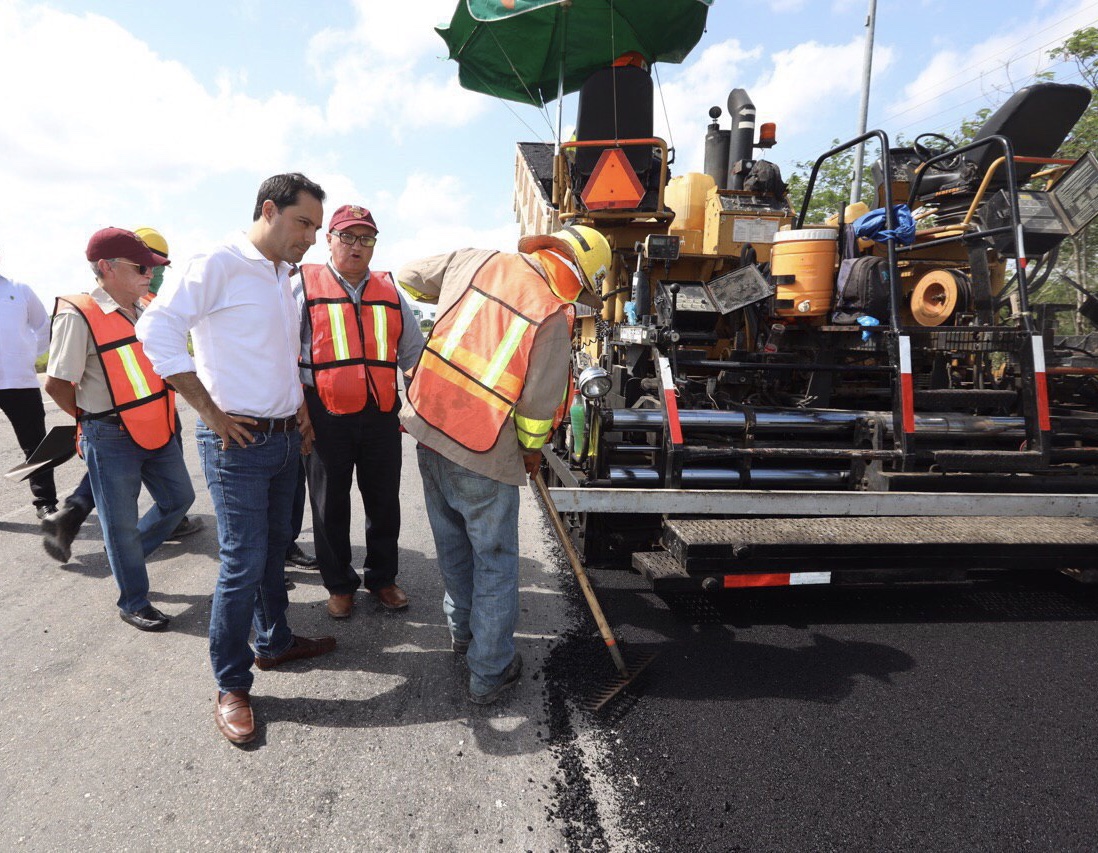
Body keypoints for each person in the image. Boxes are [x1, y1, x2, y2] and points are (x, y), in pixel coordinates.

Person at [136, 172, 337, 745]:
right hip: (236, 443)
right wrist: (209, 409)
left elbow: (274, 352)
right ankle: (231, 685)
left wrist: (297, 407)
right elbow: (157, 331)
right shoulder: (216, 262)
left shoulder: (281, 275)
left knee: (275, 550)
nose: (311, 238)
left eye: (317, 229)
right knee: (243, 563)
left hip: (280, 438)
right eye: (303, 224)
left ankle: (273, 641)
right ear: (268, 210)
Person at [398, 224, 611, 704]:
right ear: (578, 274)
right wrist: (532, 452)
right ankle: (490, 671)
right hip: (483, 449)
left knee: (452, 545)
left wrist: (446, 296)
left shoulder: (475, 260)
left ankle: (463, 635)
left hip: (430, 429)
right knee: (493, 562)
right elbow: (537, 407)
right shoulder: (552, 314)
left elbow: (408, 277)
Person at [44, 228, 195, 631]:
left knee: (179, 499)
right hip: (110, 434)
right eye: (142, 267)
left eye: (153, 267)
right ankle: (133, 599)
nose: (151, 274)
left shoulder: (145, 307)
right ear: (107, 268)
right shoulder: (80, 315)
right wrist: (89, 421)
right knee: (120, 523)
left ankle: (128, 558)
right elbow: (57, 383)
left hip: (156, 426)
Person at [296, 204, 424, 619]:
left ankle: (382, 579)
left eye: (366, 238)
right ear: (329, 239)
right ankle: (339, 584)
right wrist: (300, 411)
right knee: (329, 504)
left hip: (380, 413)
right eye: (347, 237)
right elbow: (283, 353)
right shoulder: (303, 287)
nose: (356, 246)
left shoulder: (391, 291)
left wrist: (421, 406)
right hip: (324, 414)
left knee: (384, 500)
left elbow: (413, 355)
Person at [0, 259, 58, 519]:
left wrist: (28, 356)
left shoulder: (19, 289)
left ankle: (45, 502)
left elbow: (44, 326)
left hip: (19, 381)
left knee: (36, 445)